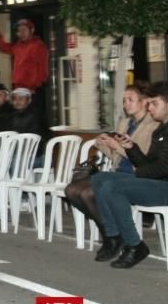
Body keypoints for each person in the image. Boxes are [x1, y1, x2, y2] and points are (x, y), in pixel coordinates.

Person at [91, 82, 168, 268]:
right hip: (159, 182)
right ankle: (113, 236)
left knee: (113, 187)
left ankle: (135, 245)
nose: (150, 108)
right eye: (149, 103)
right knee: (99, 179)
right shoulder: (164, 127)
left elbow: (166, 167)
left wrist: (139, 171)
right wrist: (132, 148)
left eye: (154, 103)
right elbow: (150, 163)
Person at [65, 85, 157, 233]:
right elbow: (116, 157)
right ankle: (108, 229)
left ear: (143, 101)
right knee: (71, 190)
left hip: (136, 174)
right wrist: (104, 144)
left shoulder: (152, 126)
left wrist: (117, 146)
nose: (126, 104)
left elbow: (143, 158)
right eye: (124, 100)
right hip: (117, 172)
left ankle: (111, 234)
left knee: (87, 193)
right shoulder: (125, 123)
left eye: (130, 100)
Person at [0, 18, 49, 98]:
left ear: (32, 30)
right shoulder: (18, 45)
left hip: (31, 89)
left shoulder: (38, 46)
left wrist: (35, 87)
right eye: (19, 31)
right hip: (18, 87)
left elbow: (43, 69)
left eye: (24, 30)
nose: (21, 33)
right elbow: (5, 48)